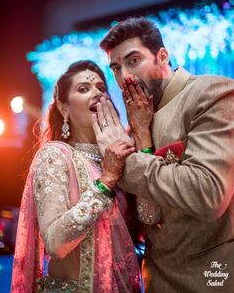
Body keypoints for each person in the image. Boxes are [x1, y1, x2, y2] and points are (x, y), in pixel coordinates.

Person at [92, 17, 234, 292]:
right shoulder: (132, 128)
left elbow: (208, 193)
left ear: (162, 56)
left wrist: (125, 163)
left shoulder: (212, 92)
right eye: (117, 68)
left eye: (134, 61)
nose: (125, 77)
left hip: (213, 276)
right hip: (155, 280)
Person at [11, 60, 142, 293]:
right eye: (83, 89)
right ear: (63, 107)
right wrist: (106, 182)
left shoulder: (115, 159)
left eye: (102, 88)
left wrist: (143, 138)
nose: (97, 94)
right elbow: (55, 241)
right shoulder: (55, 156)